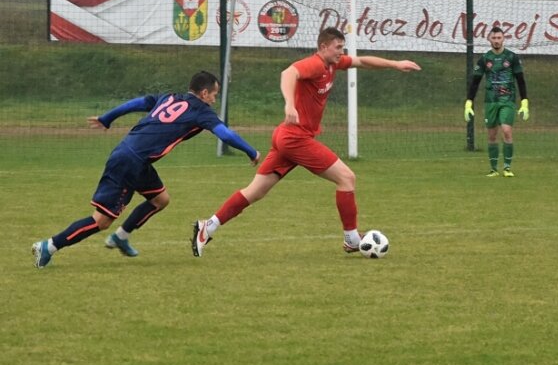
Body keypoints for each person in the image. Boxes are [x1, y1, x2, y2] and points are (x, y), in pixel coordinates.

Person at [191, 27, 421, 257]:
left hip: (287, 137)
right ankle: (352, 239)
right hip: (295, 138)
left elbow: (362, 61)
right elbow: (288, 74)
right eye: (338, 47)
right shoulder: (316, 64)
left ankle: (207, 226)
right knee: (347, 178)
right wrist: (289, 104)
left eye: (343, 47)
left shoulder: (333, 64)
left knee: (255, 191)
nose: (342, 52)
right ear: (323, 47)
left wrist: (395, 64)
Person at [31, 71, 260, 269]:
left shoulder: (169, 97)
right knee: (101, 221)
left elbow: (137, 103)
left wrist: (107, 118)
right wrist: (252, 152)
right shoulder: (202, 110)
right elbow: (225, 134)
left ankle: (122, 237)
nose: (213, 99)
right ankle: (49, 246)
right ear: (203, 94)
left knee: (161, 200)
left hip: (134, 157)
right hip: (129, 163)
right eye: (214, 95)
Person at [464, 26, 529, 177]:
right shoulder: (485, 59)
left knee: (506, 130)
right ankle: (493, 169)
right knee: (492, 135)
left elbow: (520, 80)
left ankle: (507, 168)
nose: (496, 41)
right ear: (489, 39)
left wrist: (524, 101)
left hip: (507, 101)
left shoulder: (512, 57)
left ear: (503, 38)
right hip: (490, 102)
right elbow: (475, 82)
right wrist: (469, 102)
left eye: (499, 38)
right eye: (494, 38)